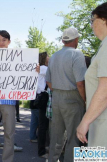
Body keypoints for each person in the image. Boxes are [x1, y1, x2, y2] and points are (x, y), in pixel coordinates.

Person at [46, 27, 86, 162]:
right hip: (73, 97)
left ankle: (52, 159)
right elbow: (80, 83)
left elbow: (48, 81)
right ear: (76, 39)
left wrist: (58, 91)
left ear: (63, 40)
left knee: (56, 136)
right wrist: (85, 100)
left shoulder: (54, 56)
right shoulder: (77, 54)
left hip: (56, 97)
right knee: (74, 137)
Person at [0, 30, 26, 162]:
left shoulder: (17, 58)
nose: (1, 42)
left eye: (4, 40)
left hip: (9, 102)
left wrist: (34, 70)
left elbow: (24, 73)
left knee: (9, 134)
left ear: (9, 42)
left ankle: (7, 160)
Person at [77, 2, 107, 147]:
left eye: (92, 20)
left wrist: (85, 121)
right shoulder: (103, 46)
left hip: (103, 122)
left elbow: (105, 89)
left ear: (104, 19)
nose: (91, 25)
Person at [37, 52, 50, 159]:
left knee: (42, 125)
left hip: (40, 97)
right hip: (44, 97)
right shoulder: (44, 69)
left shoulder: (40, 68)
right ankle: (41, 151)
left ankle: (42, 148)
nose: (49, 57)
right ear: (44, 58)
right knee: (43, 126)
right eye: (48, 56)